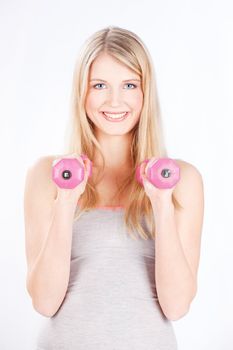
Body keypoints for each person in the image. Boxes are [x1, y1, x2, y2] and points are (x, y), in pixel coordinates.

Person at [24, 26, 204, 350]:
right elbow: (44, 302)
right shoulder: (46, 176)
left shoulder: (182, 181)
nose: (115, 100)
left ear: (145, 92)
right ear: (83, 91)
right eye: (100, 85)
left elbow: (177, 306)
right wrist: (66, 200)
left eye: (129, 85)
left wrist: (161, 203)